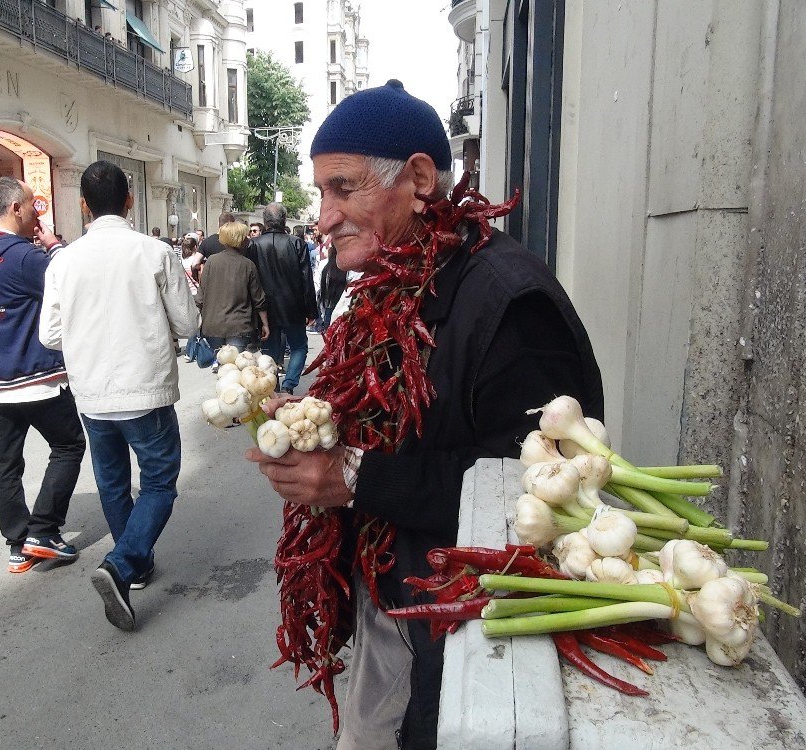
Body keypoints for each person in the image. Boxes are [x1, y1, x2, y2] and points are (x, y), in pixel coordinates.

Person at [245, 79, 604, 749]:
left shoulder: (508, 304)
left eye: (342, 188)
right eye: (320, 191)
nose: (322, 217)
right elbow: (404, 424)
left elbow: (533, 498)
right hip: (399, 597)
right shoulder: (391, 282)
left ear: (416, 179)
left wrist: (352, 475)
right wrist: (324, 421)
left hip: (456, 621)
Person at [39, 160, 199, 631]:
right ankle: (124, 562)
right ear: (130, 200)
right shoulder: (153, 252)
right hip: (144, 388)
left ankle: (134, 562)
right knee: (158, 481)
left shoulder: (63, 260)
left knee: (112, 481)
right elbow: (189, 324)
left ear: (83, 206)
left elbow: (50, 334)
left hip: (91, 393)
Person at [0, 176, 86, 575]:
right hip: (35, 375)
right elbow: (70, 281)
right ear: (15, 208)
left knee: (5, 463)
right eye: (32, 206)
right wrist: (55, 246)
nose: (36, 214)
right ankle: (43, 530)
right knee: (69, 446)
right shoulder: (22, 257)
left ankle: (17, 541)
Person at [253, 202, 317, 394]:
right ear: (283, 220)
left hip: (265, 308)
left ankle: (273, 385)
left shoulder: (254, 245)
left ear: (265, 221)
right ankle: (289, 385)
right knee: (299, 346)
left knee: (269, 352)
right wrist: (310, 310)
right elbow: (307, 278)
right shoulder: (297, 243)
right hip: (292, 306)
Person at [195, 221, 269, 358]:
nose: (247, 240)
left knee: (222, 366)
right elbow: (258, 298)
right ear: (240, 240)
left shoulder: (211, 261)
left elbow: (201, 295)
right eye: (245, 237)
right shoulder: (248, 265)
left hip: (213, 325)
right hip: (238, 326)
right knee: (233, 368)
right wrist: (265, 324)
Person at [317, 246, 347, 334]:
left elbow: (320, 287)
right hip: (341, 306)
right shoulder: (345, 269)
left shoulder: (326, 268)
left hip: (329, 306)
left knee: (329, 338)